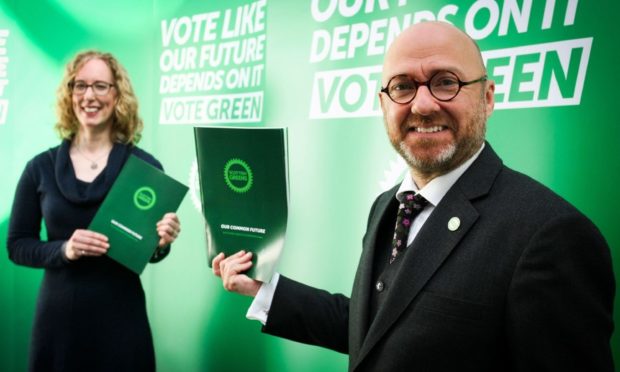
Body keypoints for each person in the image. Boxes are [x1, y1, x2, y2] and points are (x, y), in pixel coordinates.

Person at [212, 21, 615, 371]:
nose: (422, 105)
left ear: (487, 97)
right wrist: (264, 291)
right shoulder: (388, 206)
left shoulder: (551, 235)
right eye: (403, 86)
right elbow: (379, 330)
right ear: (383, 103)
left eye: (446, 82)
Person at [7, 50, 181, 371]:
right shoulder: (39, 168)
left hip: (121, 322)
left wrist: (162, 243)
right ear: (70, 95)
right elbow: (17, 245)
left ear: (117, 96)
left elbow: (151, 253)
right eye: (80, 86)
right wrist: (64, 250)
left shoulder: (145, 169)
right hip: (57, 324)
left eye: (101, 86)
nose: (90, 95)